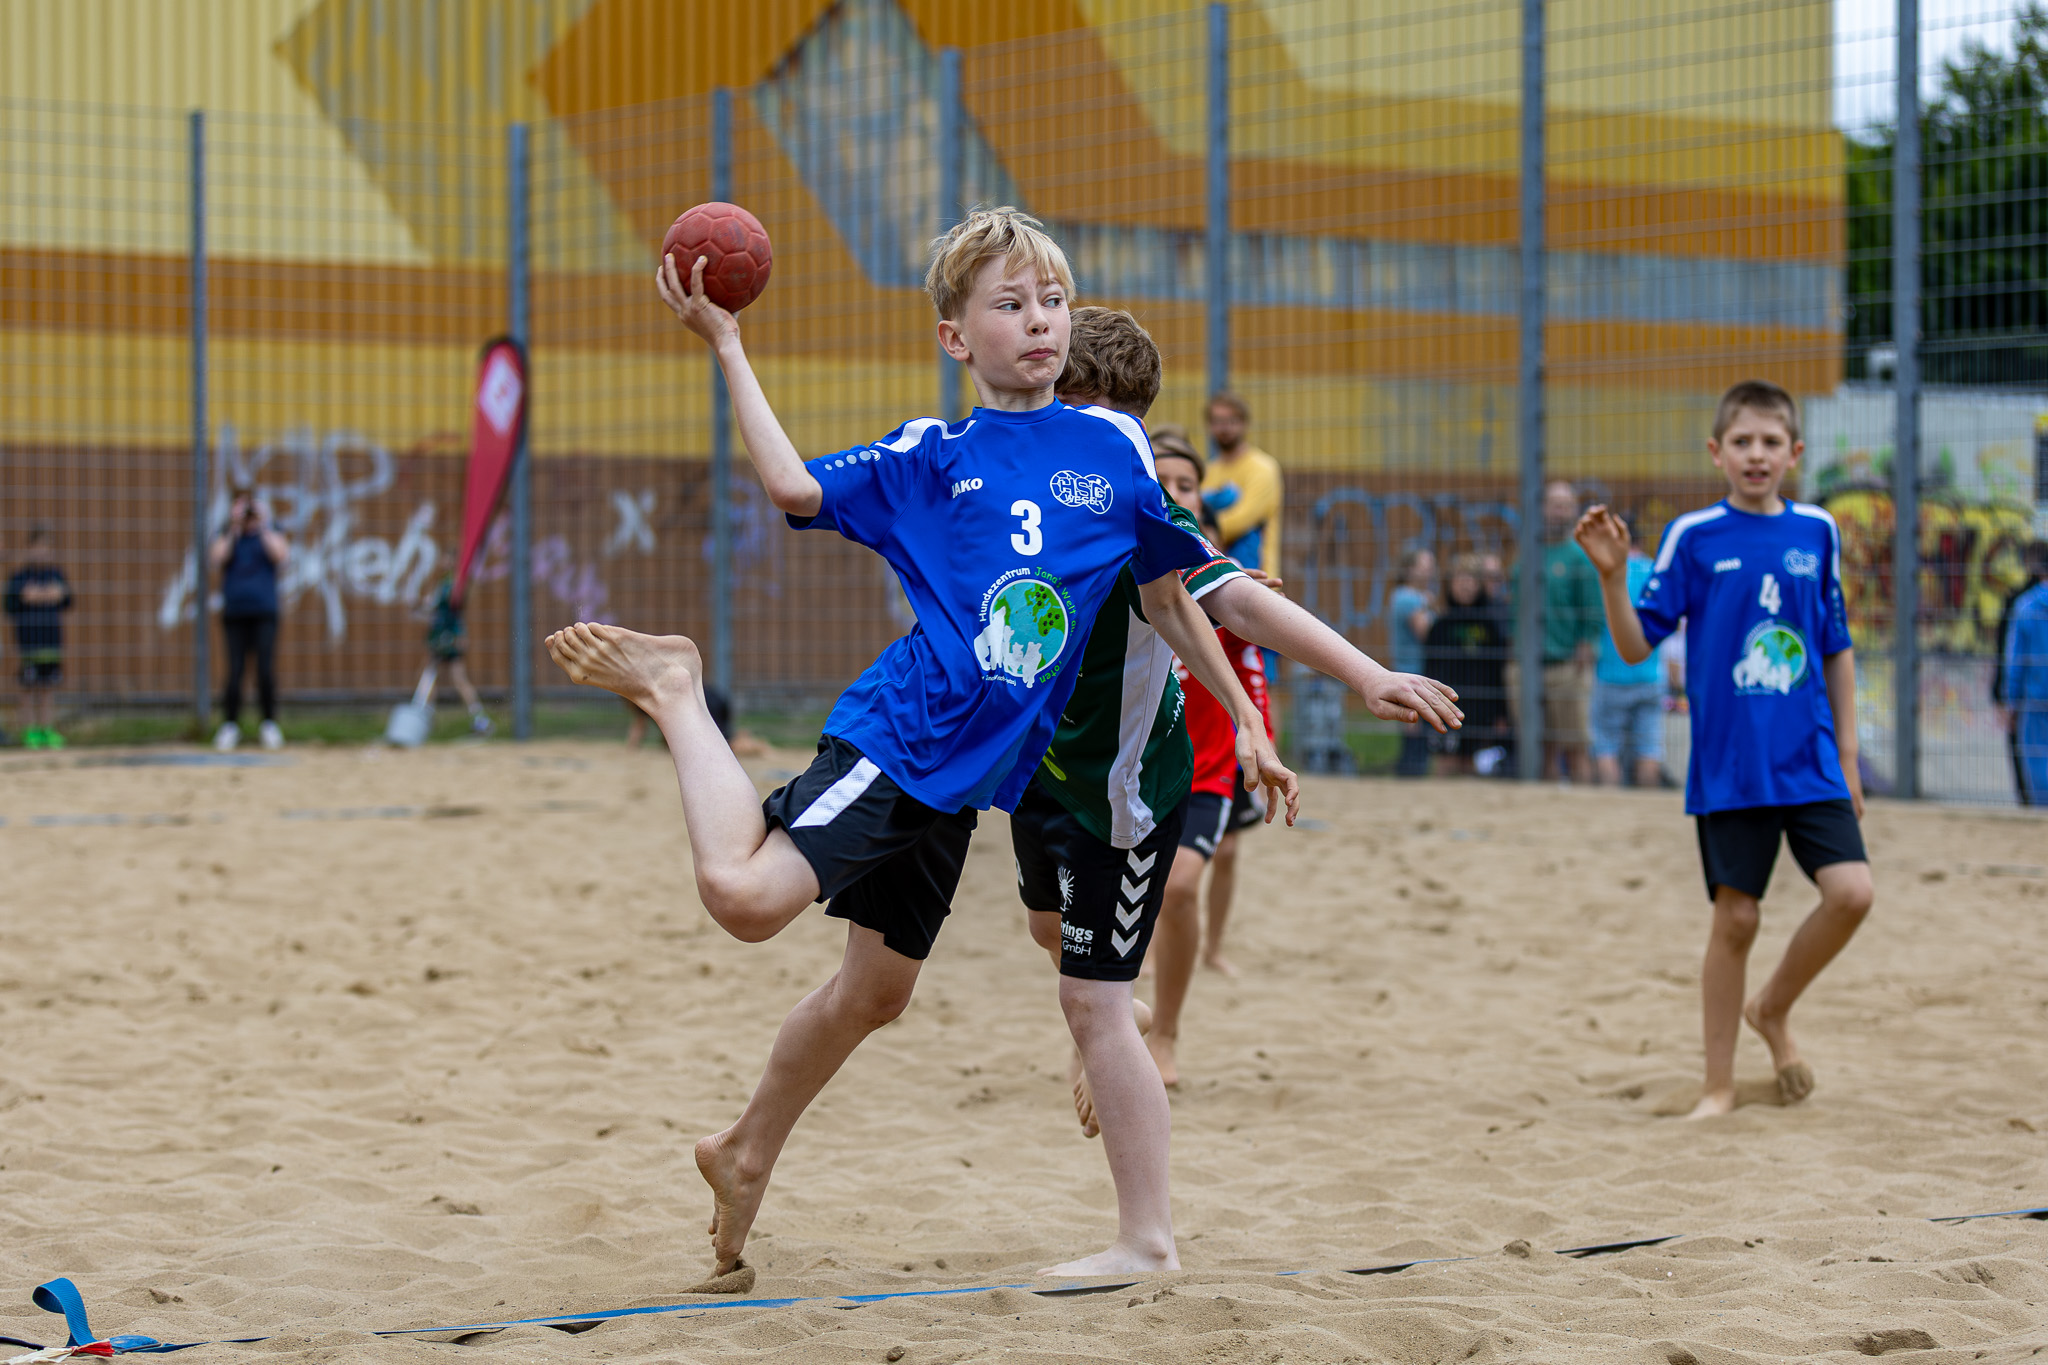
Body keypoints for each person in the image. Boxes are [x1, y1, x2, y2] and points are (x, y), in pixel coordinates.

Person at [547, 207, 1299, 1283]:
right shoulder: (932, 454)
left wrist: (1253, 722)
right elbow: (795, 490)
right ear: (956, 338)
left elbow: (1178, 603)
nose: (1038, 322)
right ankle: (678, 690)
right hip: (902, 738)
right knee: (746, 900)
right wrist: (727, 345)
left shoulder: (1110, 448)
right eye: (1008, 305)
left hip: (963, 782)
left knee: (876, 992)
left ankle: (745, 1150)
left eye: (1050, 301)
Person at [1032, 310, 1460, 1106]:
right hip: (1047, 766)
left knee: (1164, 913)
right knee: (1044, 931)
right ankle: (1121, 1015)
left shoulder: (1152, 521)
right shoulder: (1025, 484)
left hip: (1151, 771)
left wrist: (1360, 676)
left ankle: (1145, 1044)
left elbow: (1237, 607)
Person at [1575, 379, 1874, 1121]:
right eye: (1742, 441)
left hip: (1810, 758)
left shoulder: (1818, 531)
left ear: (1795, 454)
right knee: (1736, 920)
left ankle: (1771, 1008)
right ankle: (1719, 1085)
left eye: (1772, 442)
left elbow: (1836, 648)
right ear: (1717, 452)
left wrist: (1850, 751)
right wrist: (1615, 576)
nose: (1757, 454)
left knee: (1852, 893)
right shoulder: (1694, 537)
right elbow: (1637, 643)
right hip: (1732, 765)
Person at [1528, 480, 1603, 783]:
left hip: (1567, 664)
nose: (1559, 511)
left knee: (1575, 746)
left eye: (1566, 504)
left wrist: (1587, 645)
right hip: (1528, 665)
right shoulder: (1528, 553)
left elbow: (1594, 608)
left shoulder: (1580, 557)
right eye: (1554, 503)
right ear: (1542, 508)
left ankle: (1583, 805)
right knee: (1539, 746)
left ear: (1574, 511)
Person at [209, 485, 289, 752]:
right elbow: (217, 557)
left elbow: (280, 555)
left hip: (264, 611)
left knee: (265, 670)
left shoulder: (269, 532)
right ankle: (230, 725)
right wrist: (234, 526)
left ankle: (269, 724)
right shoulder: (227, 533)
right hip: (235, 613)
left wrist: (262, 524)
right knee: (235, 671)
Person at [1588, 513, 1666, 788]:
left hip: (1609, 673)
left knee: (1606, 745)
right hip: (1650, 673)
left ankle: (1609, 806)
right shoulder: (1654, 569)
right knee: (1649, 746)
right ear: (1641, 540)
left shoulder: (1599, 570)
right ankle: (1646, 810)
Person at [1422, 555, 1510, 775]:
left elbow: (1498, 672)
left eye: (1472, 580)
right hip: (1445, 704)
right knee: (1444, 763)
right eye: (1460, 579)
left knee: (1472, 766)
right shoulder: (1440, 625)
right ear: (1449, 584)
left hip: (1481, 708)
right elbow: (1430, 669)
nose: (1465, 585)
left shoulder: (1491, 625)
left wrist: (1501, 713)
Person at [4, 525, 73, 749]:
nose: (41, 552)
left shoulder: (56, 575)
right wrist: (44, 596)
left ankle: (46, 729)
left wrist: (36, 596)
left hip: (50, 640)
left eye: (45, 548)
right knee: (28, 686)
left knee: (47, 687)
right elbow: (10, 604)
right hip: (28, 642)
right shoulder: (19, 577)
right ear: (29, 549)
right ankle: (29, 731)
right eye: (37, 547)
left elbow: (67, 599)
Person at [1993, 543, 2047, 803]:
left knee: (2036, 765)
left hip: (2034, 701)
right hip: (2033, 701)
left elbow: (2014, 661)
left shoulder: (2025, 607)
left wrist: (2009, 702)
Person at [420, 576, 492, 736]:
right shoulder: (443, 584)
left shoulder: (451, 585)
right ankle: (424, 719)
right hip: (440, 635)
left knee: (452, 678)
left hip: (448, 636)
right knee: (430, 677)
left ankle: (480, 719)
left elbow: (453, 610)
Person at [1390, 548, 1436, 777]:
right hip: (1413, 668)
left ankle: (1412, 765)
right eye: (1423, 566)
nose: (1429, 571)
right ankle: (1412, 767)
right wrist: (1429, 606)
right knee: (1413, 722)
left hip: (1411, 667)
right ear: (1409, 569)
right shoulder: (1410, 599)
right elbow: (1426, 632)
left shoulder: (1403, 596)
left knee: (1413, 721)